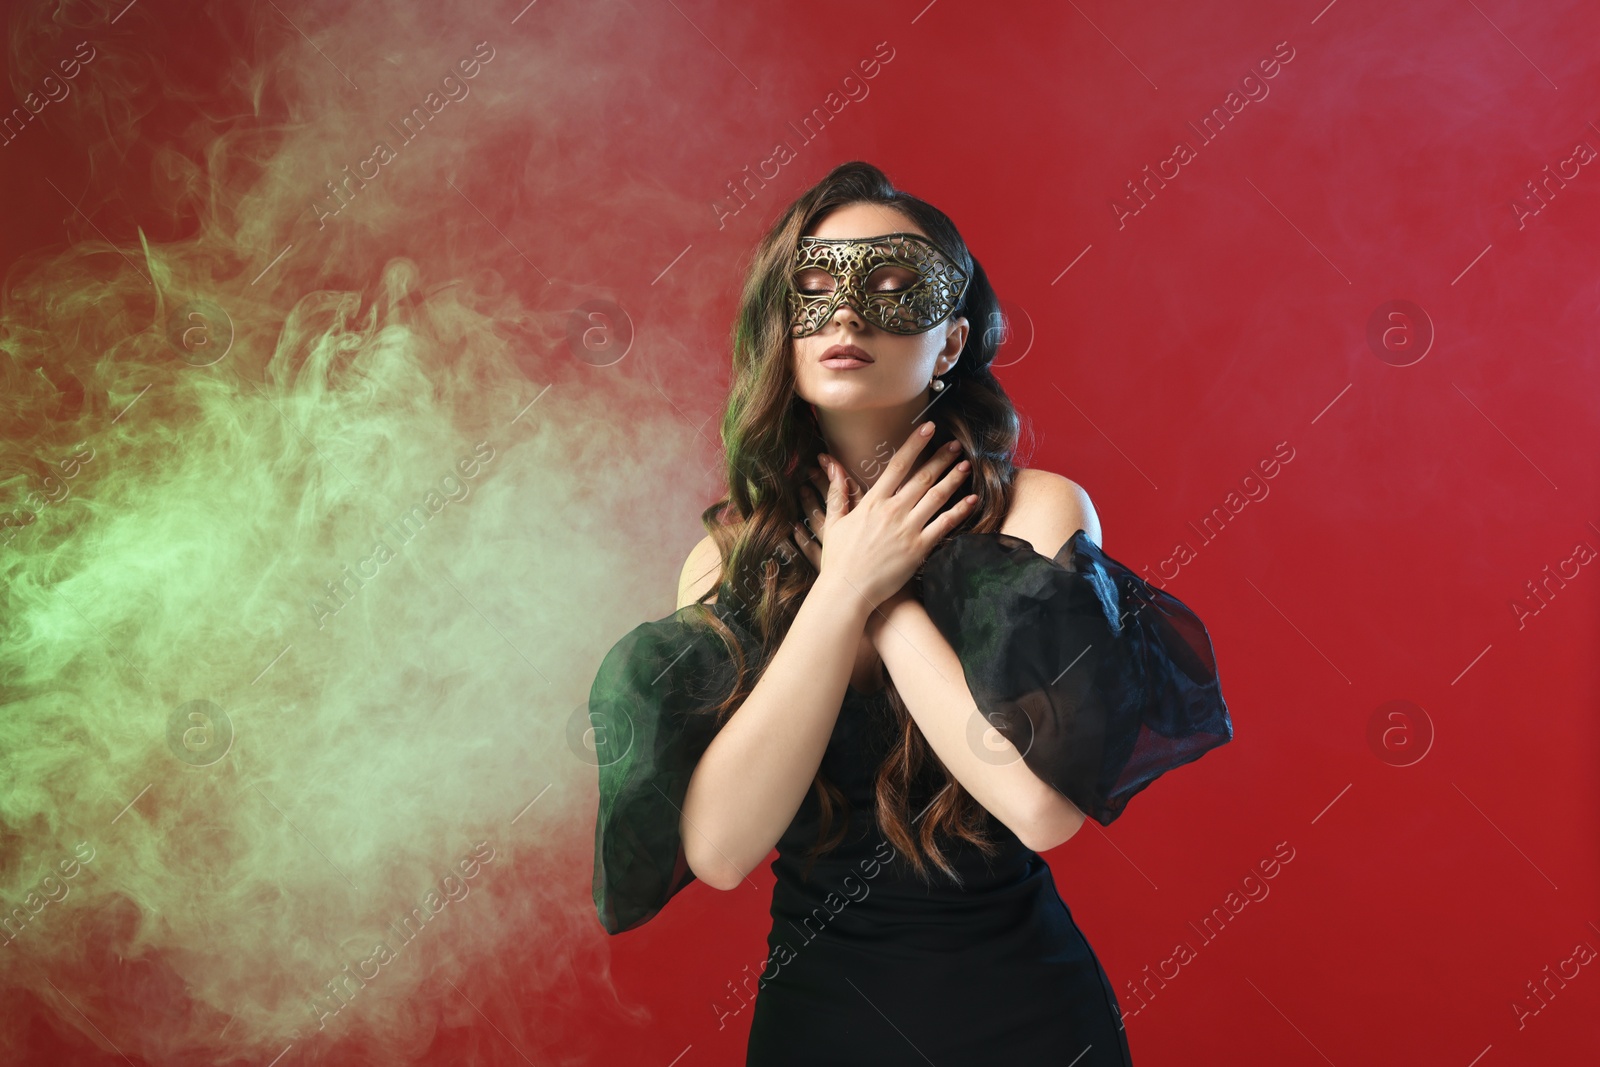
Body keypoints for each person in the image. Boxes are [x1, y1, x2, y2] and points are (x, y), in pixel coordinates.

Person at [589, 161, 1234, 1065]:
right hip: (819, 1027)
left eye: (893, 288)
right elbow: (722, 850)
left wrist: (885, 599)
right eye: (812, 289)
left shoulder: (1037, 514)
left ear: (952, 341)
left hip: (1030, 1022)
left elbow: (1040, 810)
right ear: (784, 328)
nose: (847, 314)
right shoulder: (724, 560)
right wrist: (841, 588)